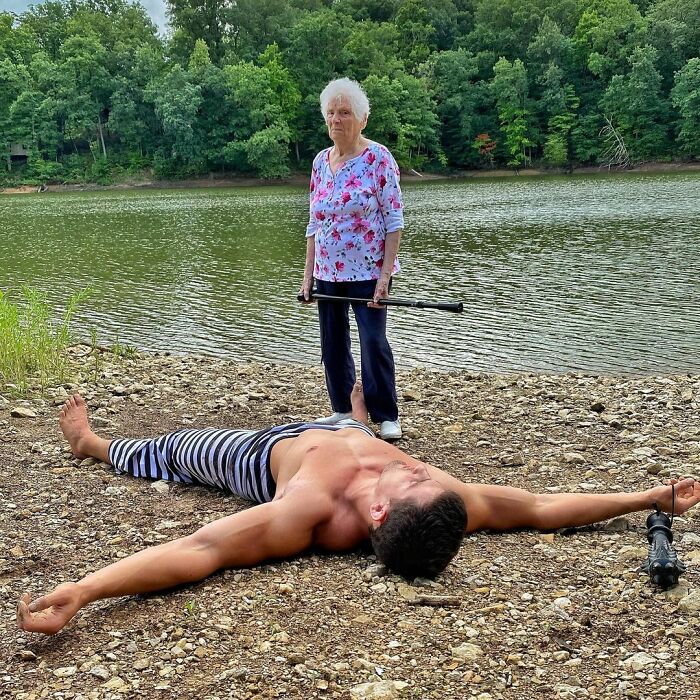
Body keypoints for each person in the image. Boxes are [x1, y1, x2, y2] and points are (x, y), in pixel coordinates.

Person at [16, 392, 700, 636]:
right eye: (422, 472)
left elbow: (201, 548)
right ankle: (353, 413)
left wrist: (86, 589)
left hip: (268, 455)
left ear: (375, 510)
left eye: (413, 477)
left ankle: (92, 444)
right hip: (341, 431)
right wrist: (647, 498)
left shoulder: (305, 512)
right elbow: (546, 508)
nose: (422, 468)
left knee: (171, 451)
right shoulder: (443, 502)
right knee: (355, 420)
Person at [299, 77, 404, 440]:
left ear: (362, 119)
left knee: (373, 341)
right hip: (327, 270)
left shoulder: (378, 158)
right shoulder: (320, 162)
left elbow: (394, 220)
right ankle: (343, 409)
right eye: (331, 112)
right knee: (332, 342)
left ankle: (386, 413)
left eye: (344, 112)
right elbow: (314, 223)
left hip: (369, 270)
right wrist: (307, 276)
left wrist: (385, 275)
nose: (336, 119)